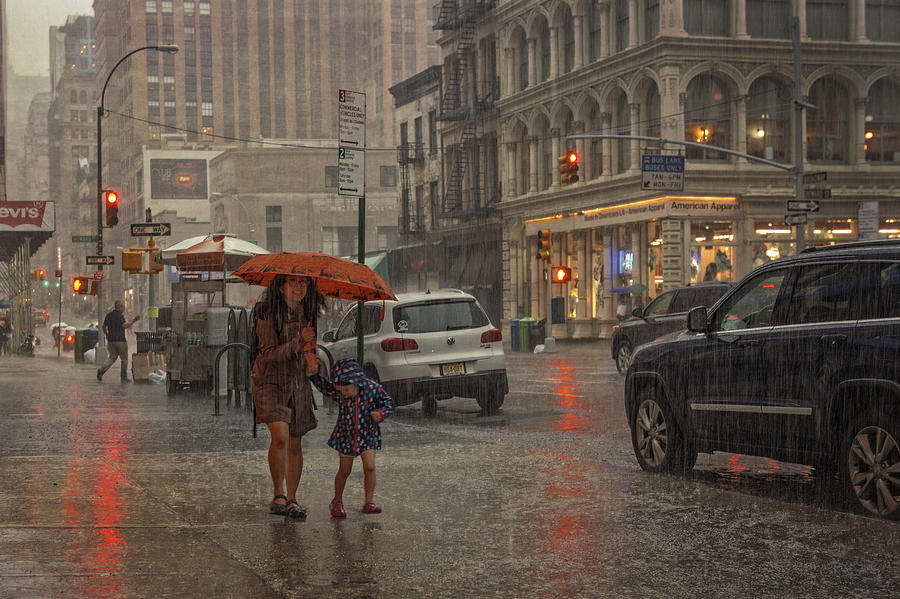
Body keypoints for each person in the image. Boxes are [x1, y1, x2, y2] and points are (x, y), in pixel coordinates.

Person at [251, 275, 324, 519]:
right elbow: (270, 354)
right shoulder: (267, 312)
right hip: (271, 381)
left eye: (303, 282)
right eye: (293, 281)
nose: (299, 286)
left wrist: (313, 365)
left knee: (295, 441)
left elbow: (309, 349)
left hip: (297, 383)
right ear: (281, 285)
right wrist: (298, 340)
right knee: (280, 435)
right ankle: (278, 493)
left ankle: (292, 499)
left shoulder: (308, 312)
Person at [311, 358, 393, 518]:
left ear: (357, 382)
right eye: (341, 391)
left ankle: (369, 502)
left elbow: (387, 403)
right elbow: (324, 388)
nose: (344, 394)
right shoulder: (340, 392)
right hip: (346, 436)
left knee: (369, 467)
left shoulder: (373, 389)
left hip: (368, 434)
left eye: (347, 390)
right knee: (344, 471)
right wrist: (313, 375)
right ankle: (337, 501)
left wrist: (381, 414)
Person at [97, 300, 139, 382]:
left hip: (111, 340)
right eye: (123, 307)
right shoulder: (119, 316)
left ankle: (101, 370)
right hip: (120, 340)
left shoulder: (109, 315)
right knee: (124, 359)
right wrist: (134, 320)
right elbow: (125, 326)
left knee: (112, 357)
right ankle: (123, 377)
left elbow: (103, 326)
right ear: (119, 307)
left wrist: (107, 335)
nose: (124, 308)